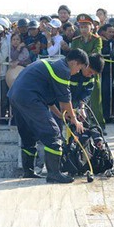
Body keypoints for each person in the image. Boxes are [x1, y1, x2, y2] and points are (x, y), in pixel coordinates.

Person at [8, 49, 88, 183]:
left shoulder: (54, 64)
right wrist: (74, 120)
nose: (77, 72)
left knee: (28, 135)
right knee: (53, 132)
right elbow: (65, 102)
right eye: (79, 68)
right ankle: (54, 173)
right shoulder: (63, 69)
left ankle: (28, 171)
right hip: (29, 97)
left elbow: (50, 102)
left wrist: (62, 116)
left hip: (16, 95)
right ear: (74, 63)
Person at [72, 14, 104, 127]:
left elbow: (96, 54)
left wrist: (83, 59)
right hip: (78, 73)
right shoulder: (75, 40)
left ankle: (99, 124)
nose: (84, 30)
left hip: (92, 72)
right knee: (79, 99)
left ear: (92, 27)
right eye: (81, 27)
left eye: (86, 27)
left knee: (95, 101)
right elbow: (74, 55)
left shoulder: (97, 39)